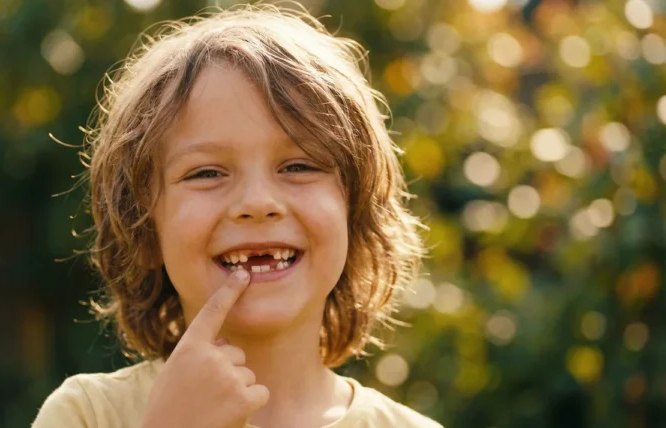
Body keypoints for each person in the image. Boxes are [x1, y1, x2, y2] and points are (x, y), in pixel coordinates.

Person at [32, 3, 440, 428]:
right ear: (145, 229)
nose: (257, 202)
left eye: (298, 166)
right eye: (206, 173)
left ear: (354, 214)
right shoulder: (86, 415)